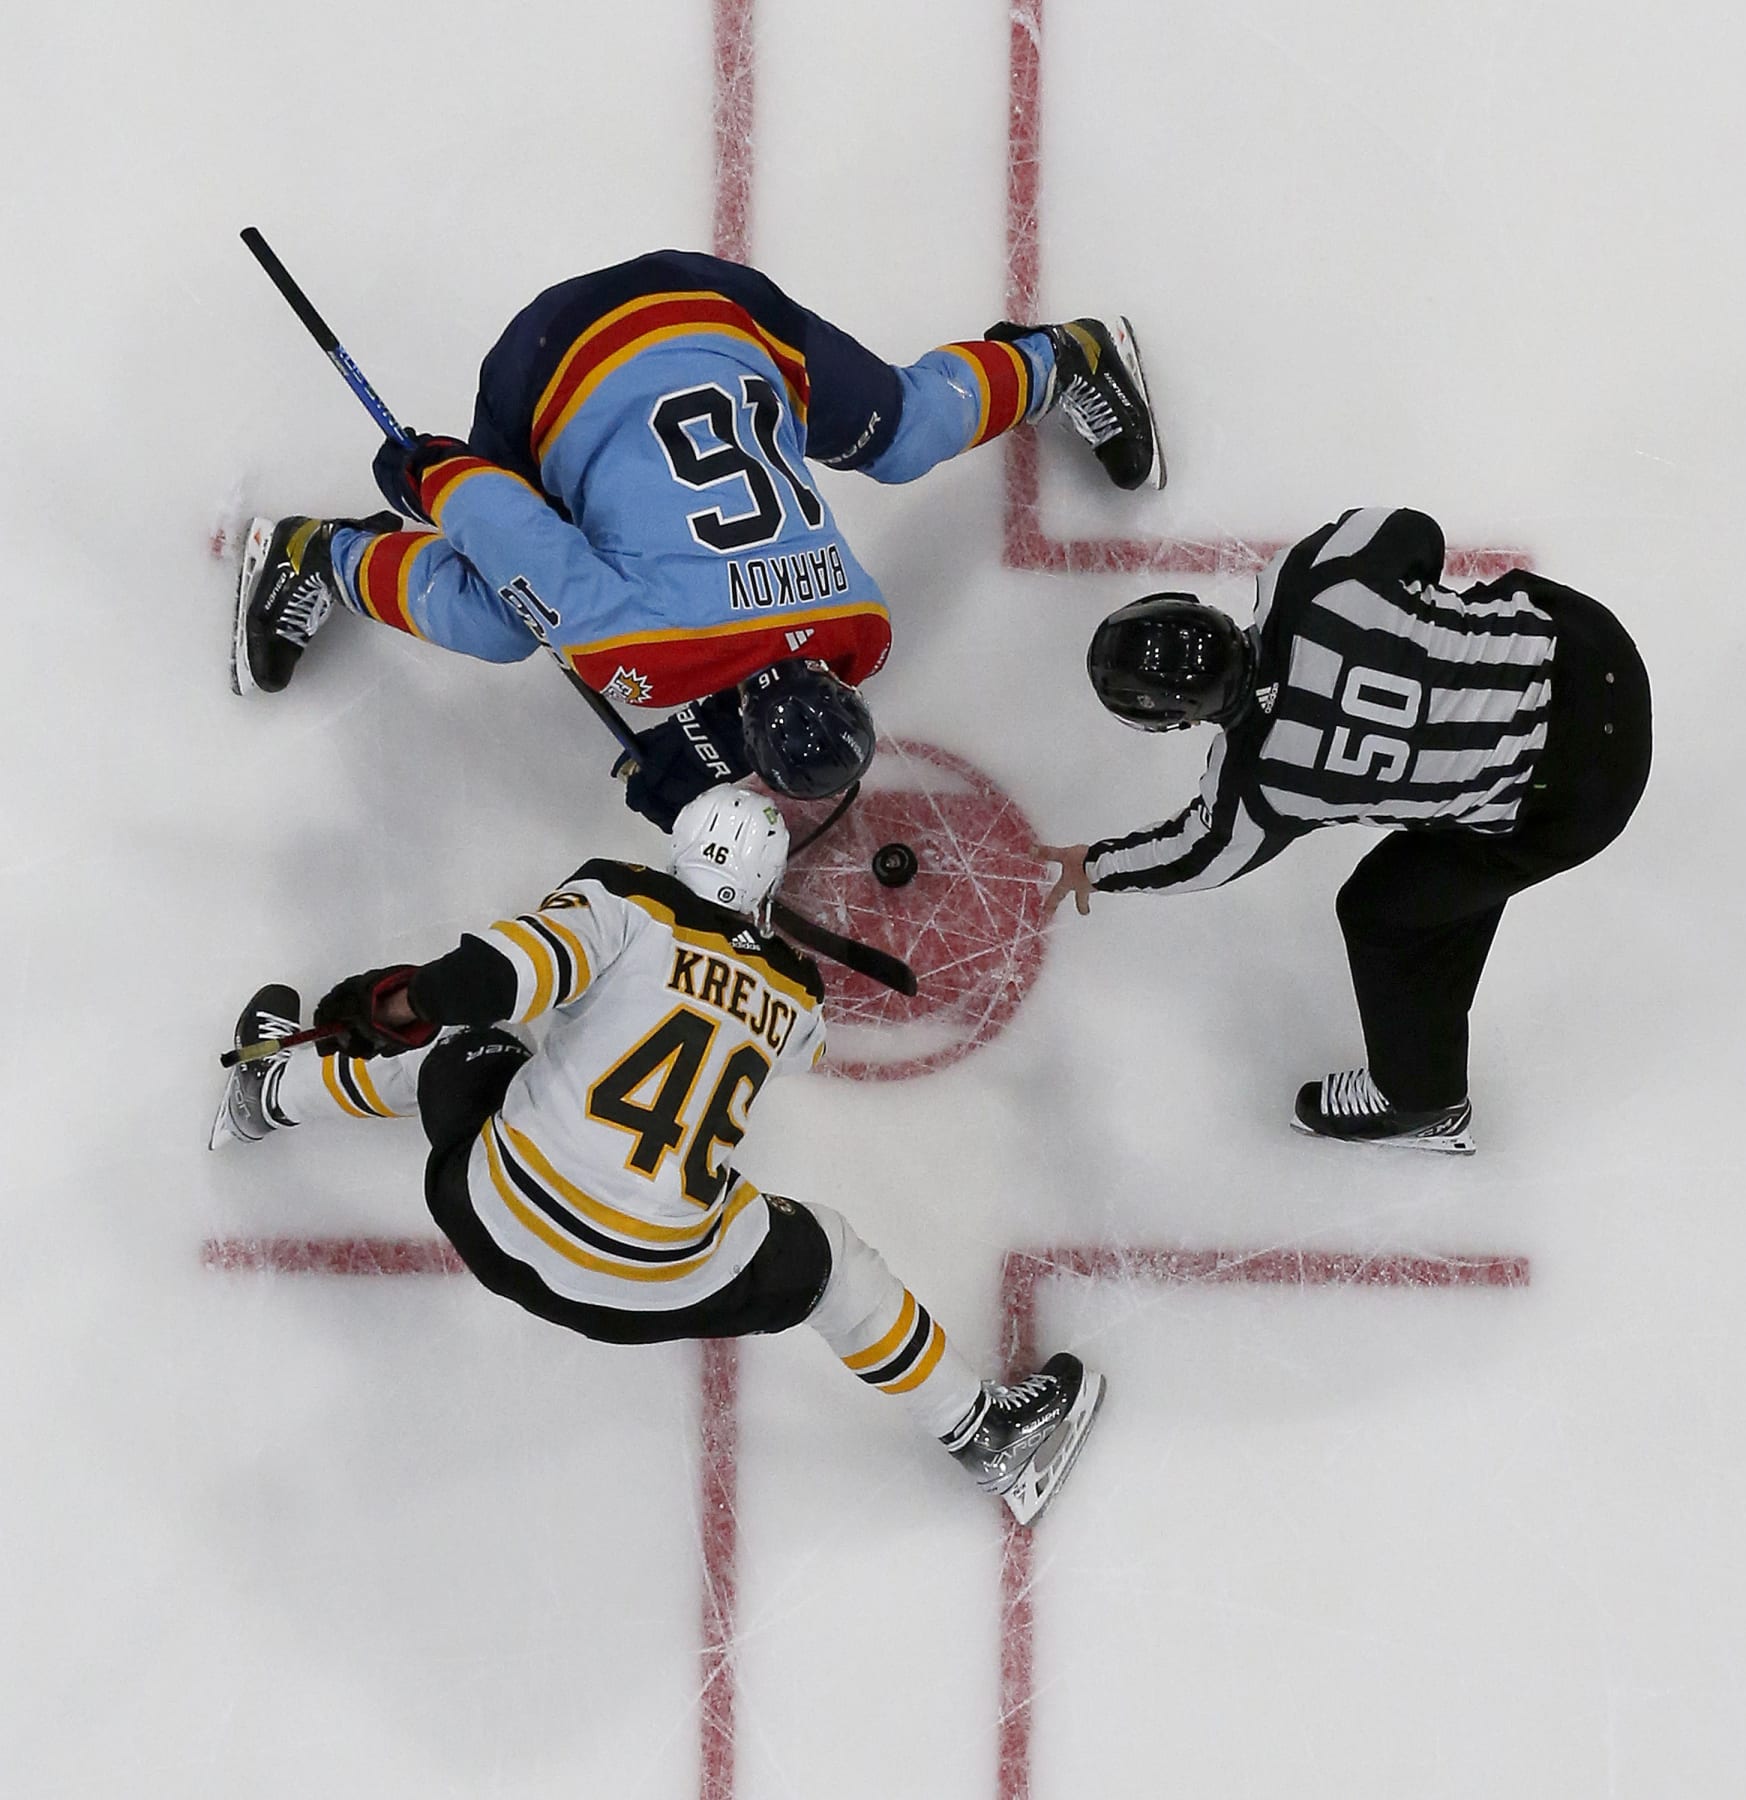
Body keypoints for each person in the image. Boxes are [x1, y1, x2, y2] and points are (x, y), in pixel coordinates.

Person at [210, 785, 1105, 1525]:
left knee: (466, 1052)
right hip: (649, 1290)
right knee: (833, 1264)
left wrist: (401, 999)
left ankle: (267, 1095)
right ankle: (977, 1430)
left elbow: (492, 979)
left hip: (490, 1214)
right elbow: (795, 1042)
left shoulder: (622, 899)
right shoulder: (794, 997)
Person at [232, 248, 1164, 822]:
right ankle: (315, 555)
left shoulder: (858, 629)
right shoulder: (633, 647)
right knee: (501, 618)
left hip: (725, 311)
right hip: (556, 354)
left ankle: (1062, 358)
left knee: (904, 431)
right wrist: (432, 475)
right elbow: (512, 535)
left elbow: (739, 636)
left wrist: (712, 730)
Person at [1037, 506, 1653, 1154]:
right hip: (1592, 647)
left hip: (1585, 798)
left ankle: (1423, 1102)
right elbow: (1416, 533)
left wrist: (1095, 865)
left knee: (1381, 911)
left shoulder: (1258, 781)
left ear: (1174, 719)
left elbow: (1195, 857)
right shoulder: (1307, 576)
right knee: (1449, 839)